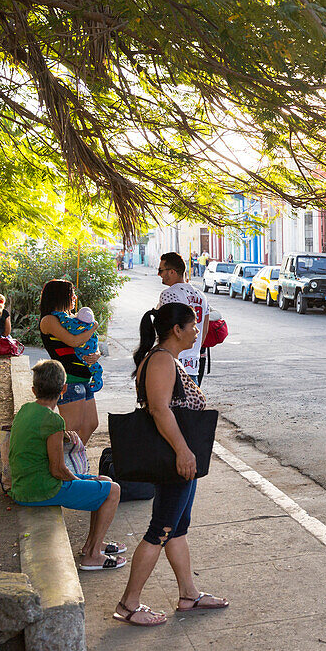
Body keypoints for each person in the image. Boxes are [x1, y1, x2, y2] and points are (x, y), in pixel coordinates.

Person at [114, 303, 228, 627]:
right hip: (172, 461)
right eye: (192, 325)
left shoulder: (166, 359)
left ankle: (188, 594)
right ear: (176, 330)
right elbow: (160, 410)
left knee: (177, 529)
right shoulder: (162, 360)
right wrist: (183, 451)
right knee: (159, 531)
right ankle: (128, 604)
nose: (196, 331)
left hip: (177, 460)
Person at [10, 359, 125, 570]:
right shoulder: (54, 420)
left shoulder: (26, 410)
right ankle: (92, 556)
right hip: (41, 490)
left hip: (24, 486)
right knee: (113, 490)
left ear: (34, 390)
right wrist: (78, 480)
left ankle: (92, 545)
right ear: (63, 389)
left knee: (104, 480)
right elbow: (58, 470)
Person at [38, 279, 101, 442]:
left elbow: (91, 343)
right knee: (71, 427)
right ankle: (58, 463)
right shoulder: (49, 320)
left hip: (84, 377)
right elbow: (74, 341)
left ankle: (72, 460)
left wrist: (97, 355)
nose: (74, 298)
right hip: (69, 378)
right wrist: (93, 327)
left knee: (90, 424)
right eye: (72, 295)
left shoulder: (70, 319)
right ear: (60, 297)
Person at [156, 251, 209, 385]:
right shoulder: (201, 296)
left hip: (173, 365)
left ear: (172, 272)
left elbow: (167, 330)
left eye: (161, 270)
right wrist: (193, 350)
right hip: (193, 366)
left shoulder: (169, 294)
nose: (159, 274)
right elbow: (204, 331)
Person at [56, 306, 103, 393]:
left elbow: (64, 320)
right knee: (97, 370)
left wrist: (59, 313)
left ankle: (93, 384)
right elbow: (94, 340)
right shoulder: (91, 327)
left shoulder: (73, 324)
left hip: (80, 353)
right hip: (88, 353)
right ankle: (96, 384)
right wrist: (94, 327)